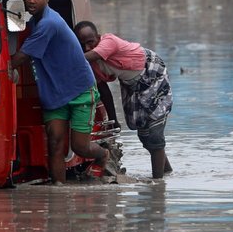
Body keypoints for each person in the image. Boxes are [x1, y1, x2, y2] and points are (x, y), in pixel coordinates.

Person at [9, 0, 111, 183]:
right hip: (55, 92)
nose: (32, 0)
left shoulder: (49, 23)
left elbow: (22, 57)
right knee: (54, 143)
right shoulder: (34, 21)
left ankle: (103, 155)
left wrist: (0, 67)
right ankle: (58, 189)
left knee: (80, 146)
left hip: (79, 88)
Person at [74, 21, 173, 179]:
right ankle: (167, 171)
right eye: (81, 44)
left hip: (152, 73)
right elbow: (104, 91)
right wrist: (113, 118)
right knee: (145, 135)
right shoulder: (91, 65)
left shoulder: (109, 42)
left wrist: (66, 56)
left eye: (90, 42)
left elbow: (87, 57)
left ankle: (158, 184)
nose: (86, 47)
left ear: (98, 38)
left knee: (154, 132)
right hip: (131, 85)